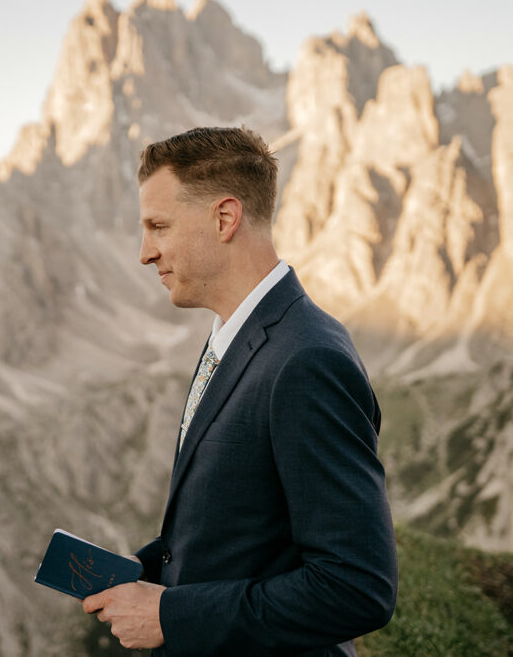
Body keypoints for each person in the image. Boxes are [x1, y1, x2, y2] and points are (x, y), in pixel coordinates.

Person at [83, 127, 398, 655]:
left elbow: (358, 587)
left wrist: (171, 615)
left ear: (225, 218)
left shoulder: (306, 359)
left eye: (158, 226)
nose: (144, 253)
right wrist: (142, 571)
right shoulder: (237, 337)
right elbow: (246, 527)